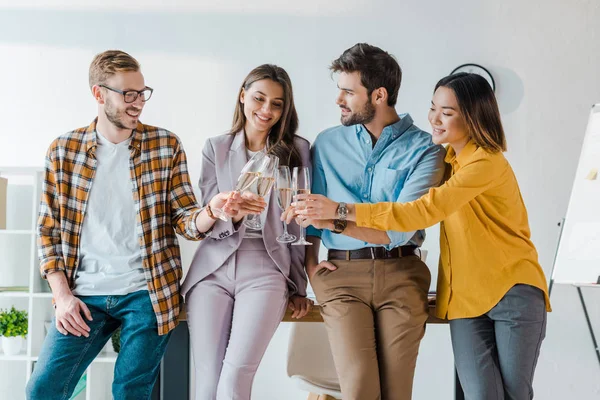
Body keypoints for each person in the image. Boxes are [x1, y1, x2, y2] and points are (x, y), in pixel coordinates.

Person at [293, 72, 551, 400]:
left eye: (447, 112)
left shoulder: (484, 165)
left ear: (473, 117)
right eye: (433, 108)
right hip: (465, 299)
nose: (434, 118)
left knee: (514, 395)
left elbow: (417, 213)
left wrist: (341, 211)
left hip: (512, 290)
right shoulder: (447, 160)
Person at [26, 50, 240, 400]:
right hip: (83, 294)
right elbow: (47, 231)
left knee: (130, 391)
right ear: (99, 94)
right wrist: (61, 296)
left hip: (147, 292)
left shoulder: (165, 145)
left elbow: (185, 220)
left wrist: (212, 211)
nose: (138, 102)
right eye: (128, 94)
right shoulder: (63, 151)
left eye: (142, 93)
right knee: (42, 390)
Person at [284, 43, 446, 400]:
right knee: (359, 388)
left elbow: (398, 228)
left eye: (348, 91)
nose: (338, 100)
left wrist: (335, 219)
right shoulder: (326, 144)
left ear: (379, 95)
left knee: (396, 392)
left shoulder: (427, 150)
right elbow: (312, 220)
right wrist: (311, 266)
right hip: (340, 276)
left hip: (402, 273)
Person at [181, 64, 313, 400]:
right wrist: (231, 214)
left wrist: (299, 284)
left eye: (277, 103)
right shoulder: (216, 148)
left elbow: (299, 224)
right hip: (213, 268)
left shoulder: (297, 150)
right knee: (207, 381)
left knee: (234, 380)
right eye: (259, 98)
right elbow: (206, 213)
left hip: (266, 268)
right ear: (243, 96)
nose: (266, 110)